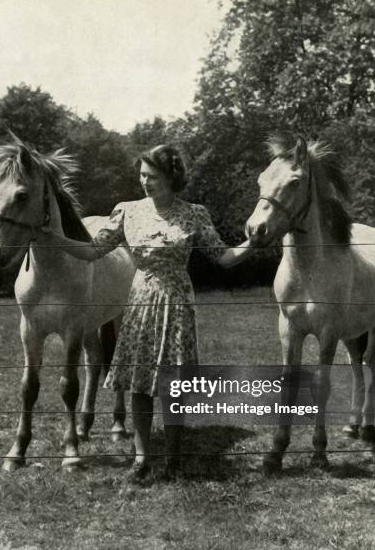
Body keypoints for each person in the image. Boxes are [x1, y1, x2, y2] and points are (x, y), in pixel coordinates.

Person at [39, 145, 254, 480]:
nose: (145, 182)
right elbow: (94, 251)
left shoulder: (194, 214)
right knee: (138, 383)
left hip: (177, 302)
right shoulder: (127, 211)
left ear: (172, 177)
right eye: (141, 175)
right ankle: (141, 458)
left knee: (174, 383)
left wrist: (251, 244)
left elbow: (223, 257)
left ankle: (173, 457)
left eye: (152, 176)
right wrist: (55, 239)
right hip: (139, 300)